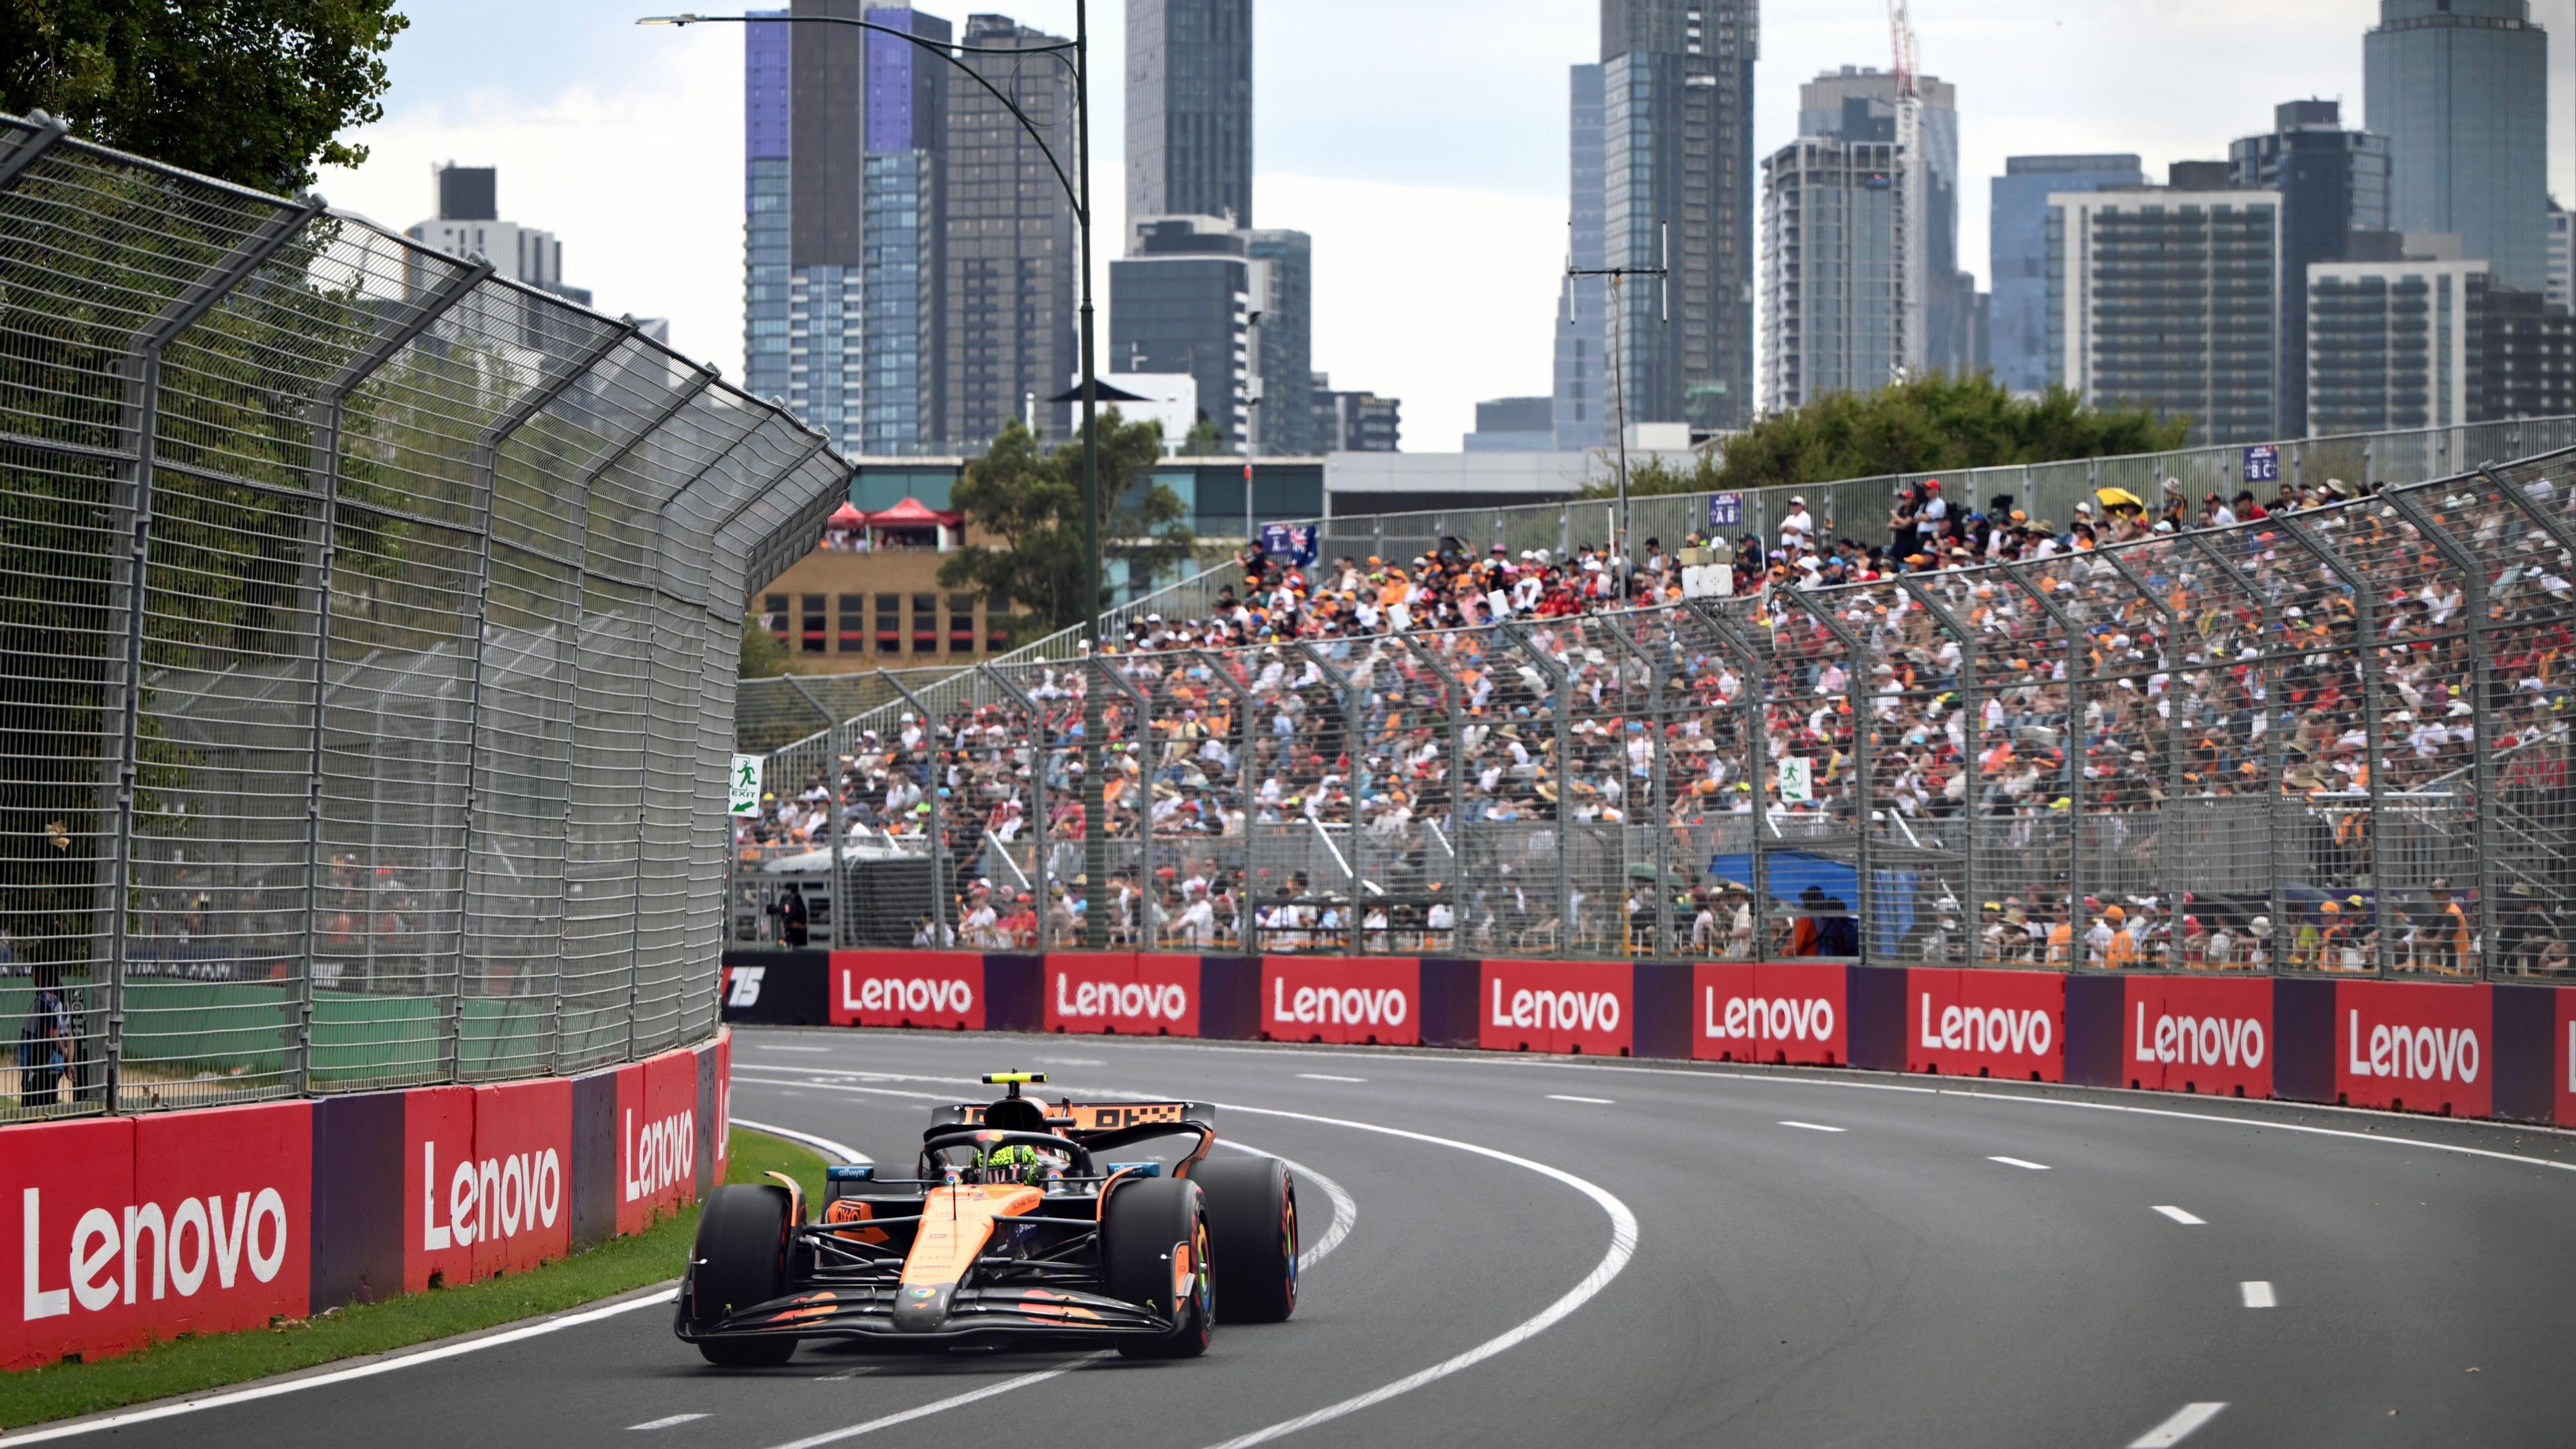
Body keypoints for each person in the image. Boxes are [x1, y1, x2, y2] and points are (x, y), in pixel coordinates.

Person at [17, 977, 69, 1108]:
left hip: (41, 1062)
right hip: (54, 1064)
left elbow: (51, 1033)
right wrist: (69, 1060)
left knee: (32, 1106)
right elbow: (70, 1036)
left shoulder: (46, 1000)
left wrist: (64, 1052)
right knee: (48, 1104)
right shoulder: (63, 1003)